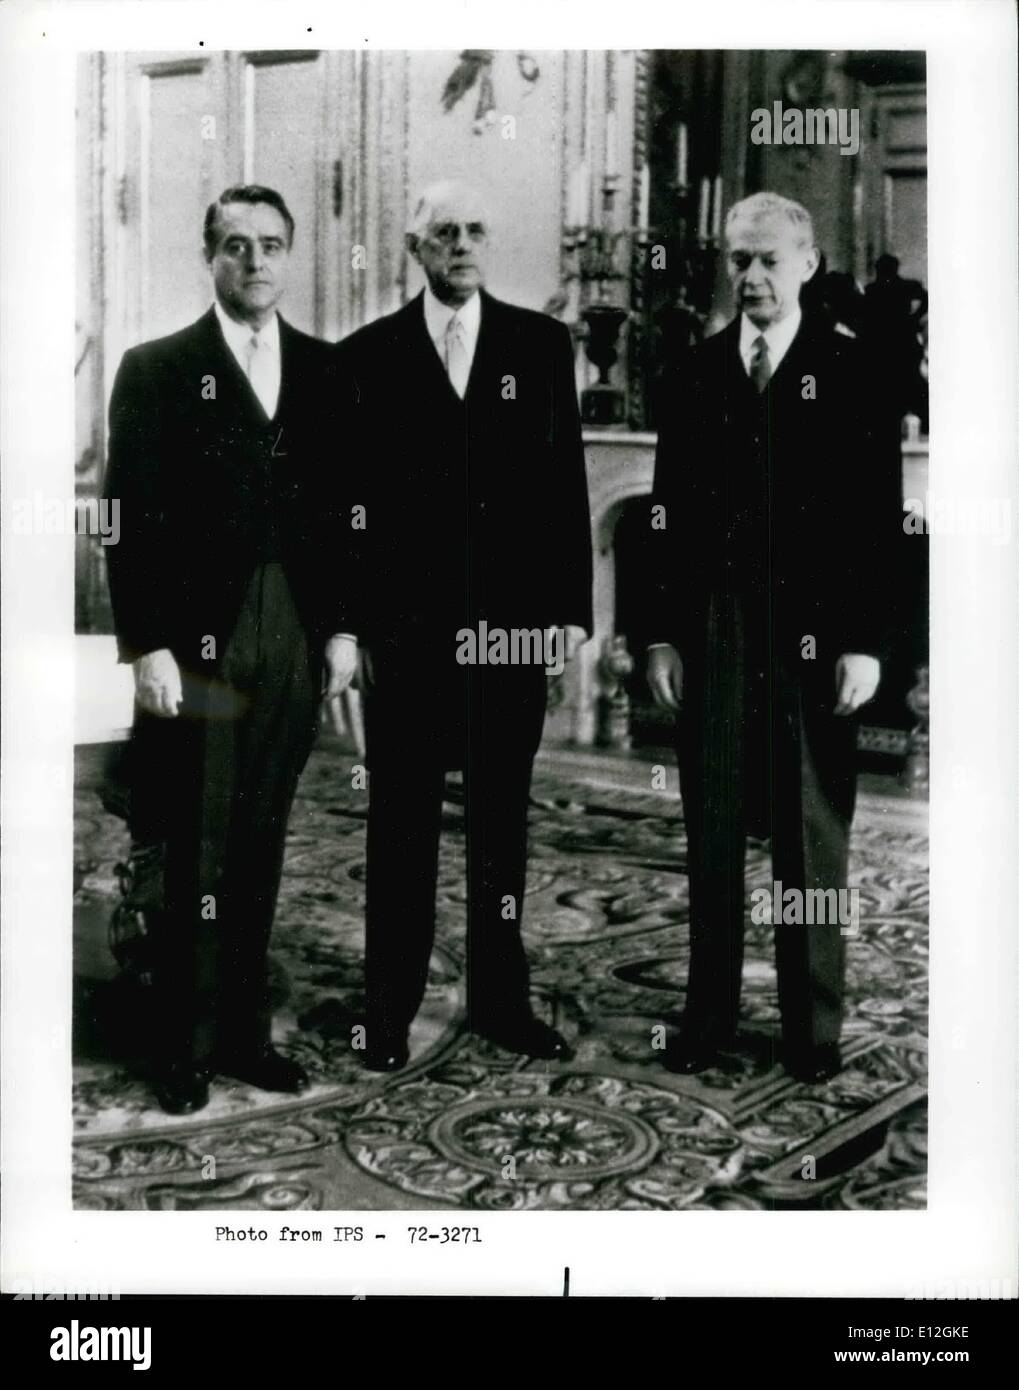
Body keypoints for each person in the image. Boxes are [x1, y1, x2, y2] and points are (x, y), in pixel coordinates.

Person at [327, 181, 593, 1072]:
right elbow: (349, 509)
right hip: (407, 639)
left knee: (501, 828)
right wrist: (351, 630)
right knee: (399, 829)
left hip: (512, 635)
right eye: (445, 232)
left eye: (477, 229)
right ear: (415, 248)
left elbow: (563, 491)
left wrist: (567, 614)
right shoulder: (364, 357)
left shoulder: (539, 344)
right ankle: (388, 1007)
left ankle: (502, 1003)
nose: (463, 245)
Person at [103, 185, 351, 1113]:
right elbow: (128, 522)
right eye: (237, 246)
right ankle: (180, 1044)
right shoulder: (158, 368)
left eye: (273, 245)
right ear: (209, 256)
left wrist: (342, 630)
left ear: (292, 257)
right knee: (194, 847)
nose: (257, 262)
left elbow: (339, 519)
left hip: (291, 626)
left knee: (261, 841)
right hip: (197, 637)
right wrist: (149, 648)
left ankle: (244, 1036)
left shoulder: (326, 372)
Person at [646, 191, 897, 1084]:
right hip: (713, 623)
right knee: (710, 823)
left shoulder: (854, 369)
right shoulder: (693, 372)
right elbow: (664, 518)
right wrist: (659, 637)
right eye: (737, 261)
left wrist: (864, 641)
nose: (751, 277)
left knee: (809, 828)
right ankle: (706, 1017)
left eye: (767, 261)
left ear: (808, 264)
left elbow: (876, 521)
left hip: (814, 626)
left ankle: (811, 1028)